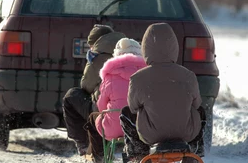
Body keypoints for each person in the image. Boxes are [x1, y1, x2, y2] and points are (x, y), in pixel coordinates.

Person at [119, 23, 204, 162]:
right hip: (185, 133)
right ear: (174, 47)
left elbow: (133, 107)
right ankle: (195, 150)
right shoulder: (188, 75)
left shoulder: (138, 78)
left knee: (126, 113)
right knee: (201, 111)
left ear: (146, 48)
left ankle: (139, 153)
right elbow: (197, 104)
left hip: (152, 135)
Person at [63, 24, 126, 156]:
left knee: (71, 97)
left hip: (108, 115)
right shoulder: (130, 52)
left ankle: (83, 144)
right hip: (132, 116)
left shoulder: (98, 55)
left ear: (95, 42)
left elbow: (86, 85)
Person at [84, 38, 147, 162]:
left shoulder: (110, 76)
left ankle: (99, 156)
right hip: (141, 127)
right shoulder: (146, 74)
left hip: (115, 126)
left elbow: (101, 106)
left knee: (93, 118)